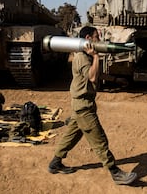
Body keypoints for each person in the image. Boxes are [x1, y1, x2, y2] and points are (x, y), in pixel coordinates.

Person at [48, 26, 137, 185]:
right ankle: (115, 172)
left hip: (81, 103)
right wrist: (96, 57)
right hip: (83, 106)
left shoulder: (85, 55)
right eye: (97, 36)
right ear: (88, 38)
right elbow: (93, 78)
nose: (99, 40)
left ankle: (55, 163)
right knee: (99, 139)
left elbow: (97, 74)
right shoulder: (82, 57)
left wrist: (115, 80)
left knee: (71, 135)